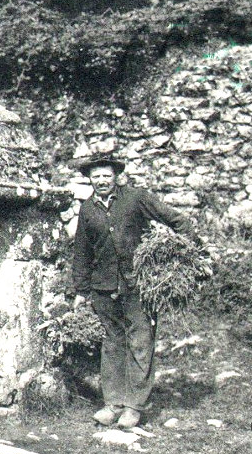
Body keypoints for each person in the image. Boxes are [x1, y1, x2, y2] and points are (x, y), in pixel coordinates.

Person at [72, 156, 196, 428]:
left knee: (140, 342)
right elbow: (81, 251)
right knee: (112, 343)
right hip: (103, 288)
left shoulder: (136, 199)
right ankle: (113, 403)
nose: (101, 181)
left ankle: (133, 406)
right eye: (96, 177)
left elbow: (177, 220)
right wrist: (81, 289)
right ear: (90, 179)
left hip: (138, 286)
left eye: (106, 176)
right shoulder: (87, 210)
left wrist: (188, 252)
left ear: (116, 176)